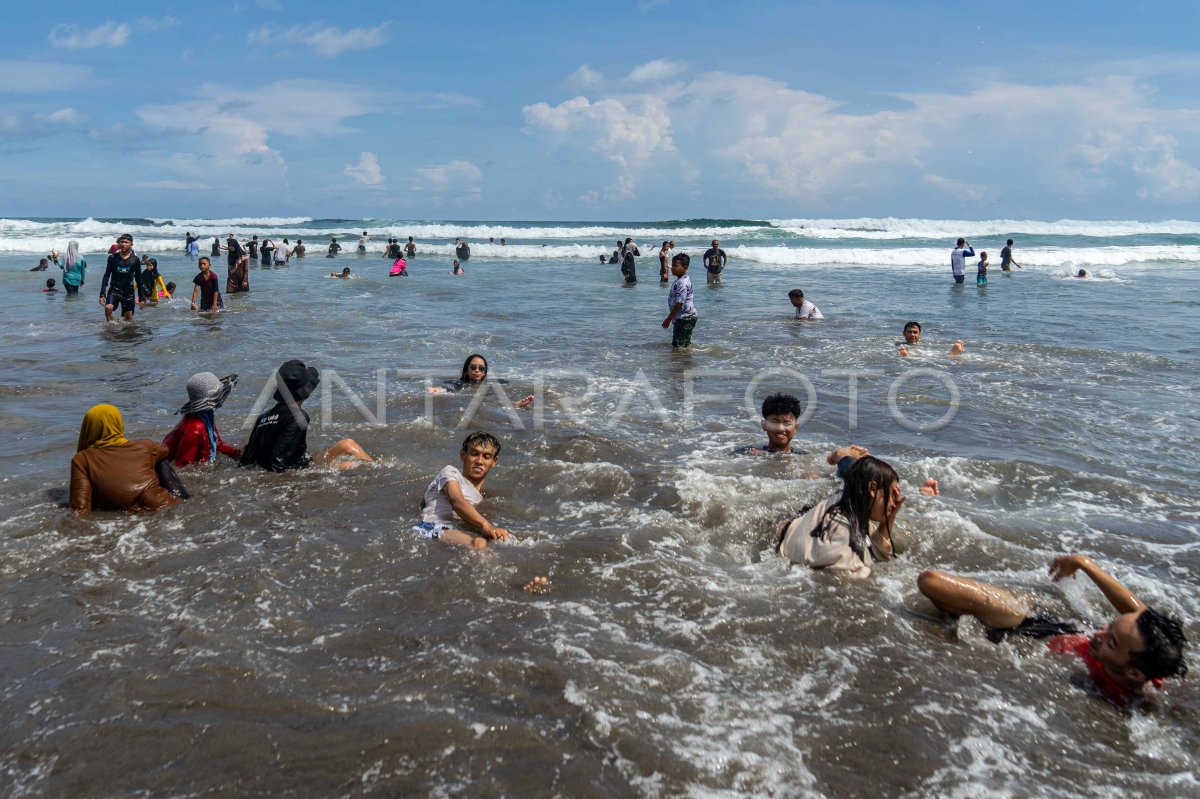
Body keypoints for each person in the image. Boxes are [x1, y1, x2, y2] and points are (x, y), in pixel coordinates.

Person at [917, 555, 1188, 707]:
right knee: (932, 582)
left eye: (1111, 642)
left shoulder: (1119, 697)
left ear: (1135, 674)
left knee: (940, 601)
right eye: (1109, 627)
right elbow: (1139, 612)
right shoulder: (1144, 647)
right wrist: (1084, 563)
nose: (1099, 634)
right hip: (1031, 622)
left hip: (1022, 640)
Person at [774, 456, 908, 577]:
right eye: (892, 494)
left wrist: (886, 522)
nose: (894, 502)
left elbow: (879, 553)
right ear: (872, 489)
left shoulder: (842, 504)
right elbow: (852, 576)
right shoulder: (842, 532)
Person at [240, 360, 374, 472]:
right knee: (353, 465)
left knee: (347, 444)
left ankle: (376, 467)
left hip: (301, 460)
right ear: (304, 391)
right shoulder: (298, 417)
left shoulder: (263, 417)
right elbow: (278, 465)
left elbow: (247, 460)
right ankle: (379, 470)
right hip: (304, 471)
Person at [70, 403, 180, 514]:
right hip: (164, 505)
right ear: (119, 424)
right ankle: (185, 496)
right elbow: (166, 450)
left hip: (122, 519)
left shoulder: (82, 459)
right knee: (160, 460)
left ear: (88, 428)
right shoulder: (146, 446)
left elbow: (80, 509)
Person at [414, 432, 511, 549]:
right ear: (463, 454)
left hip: (457, 534)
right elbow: (456, 500)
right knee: (479, 544)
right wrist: (487, 526)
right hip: (431, 527)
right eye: (474, 454)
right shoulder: (450, 473)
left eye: (486, 456)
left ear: (494, 461)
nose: (479, 461)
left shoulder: (481, 498)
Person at [162, 372, 242, 467]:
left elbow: (218, 445)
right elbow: (182, 466)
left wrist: (238, 454)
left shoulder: (205, 417)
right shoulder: (194, 429)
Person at [427, 354, 534, 408]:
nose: (477, 370)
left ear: (484, 373)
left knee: (495, 400)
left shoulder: (493, 384)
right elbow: (448, 388)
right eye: (473, 367)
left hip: (487, 395)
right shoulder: (460, 383)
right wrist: (436, 389)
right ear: (466, 371)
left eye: (481, 368)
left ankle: (516, 404)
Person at [99, 233, 144, 322]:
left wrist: (141, 297)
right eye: (121, 242)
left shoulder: (135, 260)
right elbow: (106, 275)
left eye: (126, 242)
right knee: (108, 307)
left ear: (131, 244)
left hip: (128, 292)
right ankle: (111, 324)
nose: (123, 244)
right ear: (119, 243)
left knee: (128, 319)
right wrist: (102, 293)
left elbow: (138, 278)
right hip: (114, 289)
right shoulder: (112, 258)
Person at [662, 252, 697, 347]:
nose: (672, 268)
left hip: (685, 317)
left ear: (685, 267)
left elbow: (679, 303)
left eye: (675, 266)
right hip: (684, 317)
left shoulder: (682, 283)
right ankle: (685, 360)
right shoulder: (681, 279)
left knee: (678, 346)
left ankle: (683, 361)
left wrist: (668, 319)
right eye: (672, 265)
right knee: (683, 344)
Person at [897, 321, 964, 357]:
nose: (912, 334)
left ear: (919, 334)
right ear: (904, 333)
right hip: (916, 359)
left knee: (937, 355)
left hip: (925, 355)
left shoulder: (927, 345)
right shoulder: (898, 345)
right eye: (909, 332)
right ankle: (905, 356)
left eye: (915, 332)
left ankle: (952, 353)